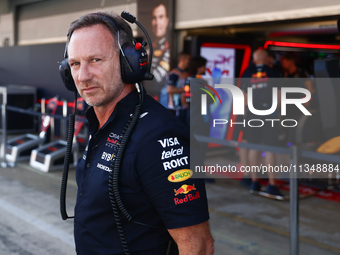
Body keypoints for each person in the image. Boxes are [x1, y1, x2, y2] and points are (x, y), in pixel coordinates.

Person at [65, 12, 214, 254]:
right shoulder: (101, 122)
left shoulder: (158, 134)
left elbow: (198, 246)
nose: (83, 76)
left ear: (129, 63)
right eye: (75, 64)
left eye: (95, 60)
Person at [241, 49, 282, 196]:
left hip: (252, 113)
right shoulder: (273, 72)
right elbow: (279, 97)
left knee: (253, 147)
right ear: (266, 59)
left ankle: (254, 181)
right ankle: (271, 184)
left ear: (254, 59)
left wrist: (245, 117)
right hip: (269, 113)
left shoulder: (247, 73)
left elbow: (244, 99)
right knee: (270, 148)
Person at [148, 1, 171, 99]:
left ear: (167, 20)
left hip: (159, 100)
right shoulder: (148, 46)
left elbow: (156, 79)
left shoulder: (168, 48)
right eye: (154, 18)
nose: (157, 23)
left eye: (161, 17)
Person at [159, 52, 190, 124]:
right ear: (182, 60)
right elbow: (169, 89)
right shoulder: (174, 74)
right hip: (175, 107)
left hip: (184, 105)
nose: (189, 62)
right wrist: (184, 89)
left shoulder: (186, 73)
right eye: (188, 60)